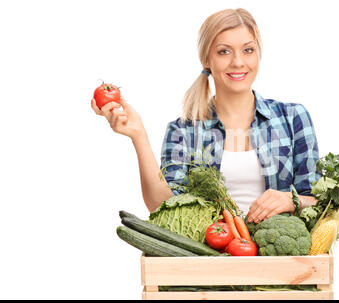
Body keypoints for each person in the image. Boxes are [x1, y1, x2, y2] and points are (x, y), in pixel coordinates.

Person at [91, 8, 320, 223]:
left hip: (279, 262)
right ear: (207, 60)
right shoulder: (184, 130)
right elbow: (164, 206)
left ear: (258, 54)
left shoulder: (293, 119)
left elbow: (319, 203)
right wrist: (139, 136)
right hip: (208, 259)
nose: (238, 62)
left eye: (248, 50)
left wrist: (293, 200)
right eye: (224, 51)